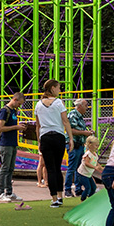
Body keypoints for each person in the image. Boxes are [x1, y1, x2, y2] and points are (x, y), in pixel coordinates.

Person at [34, 79, 74, 208]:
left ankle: (54, 198)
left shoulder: (38, 104)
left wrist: (39, 140)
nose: (59, 90)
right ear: (52, 88)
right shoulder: (58, 103)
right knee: (57, 167)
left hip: (45, 137)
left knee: (50, 168)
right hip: (58, 136)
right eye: (58, 88)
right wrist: (71, 138)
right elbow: (65, 121)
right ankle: (60, 195)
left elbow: (38, 126)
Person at [0, 93, 27, 202]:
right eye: (19, 103)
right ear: (14, 99)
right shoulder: (5, 111)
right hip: (5, 143)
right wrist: (16, 127)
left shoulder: (14, 111)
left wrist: (19, 128)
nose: (19, 106)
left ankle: (8, 192)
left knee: (10, 169)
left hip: (13, 143)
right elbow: (0, 128)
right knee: (5, 168)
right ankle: (0, 193)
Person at [65, 98, 93, 197]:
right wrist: (84, 133)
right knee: (72, 167)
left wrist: (87, 133)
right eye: (86, 105)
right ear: (79, 106)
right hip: (74, 144)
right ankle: (67, 190)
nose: (87, 108)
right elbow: (70, 130)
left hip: (80, 144)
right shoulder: (73, 115)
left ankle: (78, 188)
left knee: (79, 168)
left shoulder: (80, 116)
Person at [75, 136, 100, 201]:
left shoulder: (94, 154)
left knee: (93, 187)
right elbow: (87, 163)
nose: (97, 147)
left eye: (98, 145)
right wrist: (95, 167)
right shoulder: (88, 154)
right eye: (96, 145)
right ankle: (83, 200)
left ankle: (90, 199)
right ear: (90, 145)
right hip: (82, 174)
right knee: (87, 187)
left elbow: (96, 162)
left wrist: (101, 168)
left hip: (88, 174)